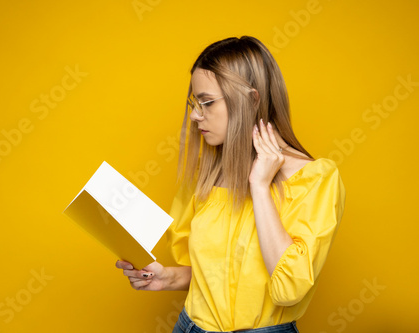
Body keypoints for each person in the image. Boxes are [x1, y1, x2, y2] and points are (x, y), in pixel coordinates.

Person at [115, 35, 346, 333]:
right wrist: (167, 278)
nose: (196, 116)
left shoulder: (315, 179)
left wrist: (260, 187)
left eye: (207, 102)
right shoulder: (208, 172)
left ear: (251, 99)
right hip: (190, 326)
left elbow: (289, 289)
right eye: (194, 103)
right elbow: (217, 274)